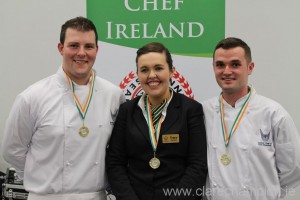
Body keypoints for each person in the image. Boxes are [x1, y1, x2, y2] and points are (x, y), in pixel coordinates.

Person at [1, 16, 125, 200]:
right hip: (47, 196)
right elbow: (12, 151)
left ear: (97, 50)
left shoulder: (114, 95)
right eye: (74, 45)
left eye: (88, 46)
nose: (81, 53)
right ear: (61, 48)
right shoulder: (32, 97)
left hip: (95, 196)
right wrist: (45, 174)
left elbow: (119, 149)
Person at [106, 42, 207, 200]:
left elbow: (197, 165)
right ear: (137, 74)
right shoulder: (127, 110)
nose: (151, 75)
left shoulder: (191, 110)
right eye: (144, 70)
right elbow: (115, 163)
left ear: (171, 71)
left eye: (158, 68)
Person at [203, 37, 300, 200]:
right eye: (220, 65)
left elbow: (293, 168)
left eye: (235, 64)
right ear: (213, 68)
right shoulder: (203, 111)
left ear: (250, 67)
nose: (227, 71)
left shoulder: (274, 113)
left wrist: (267, 194)